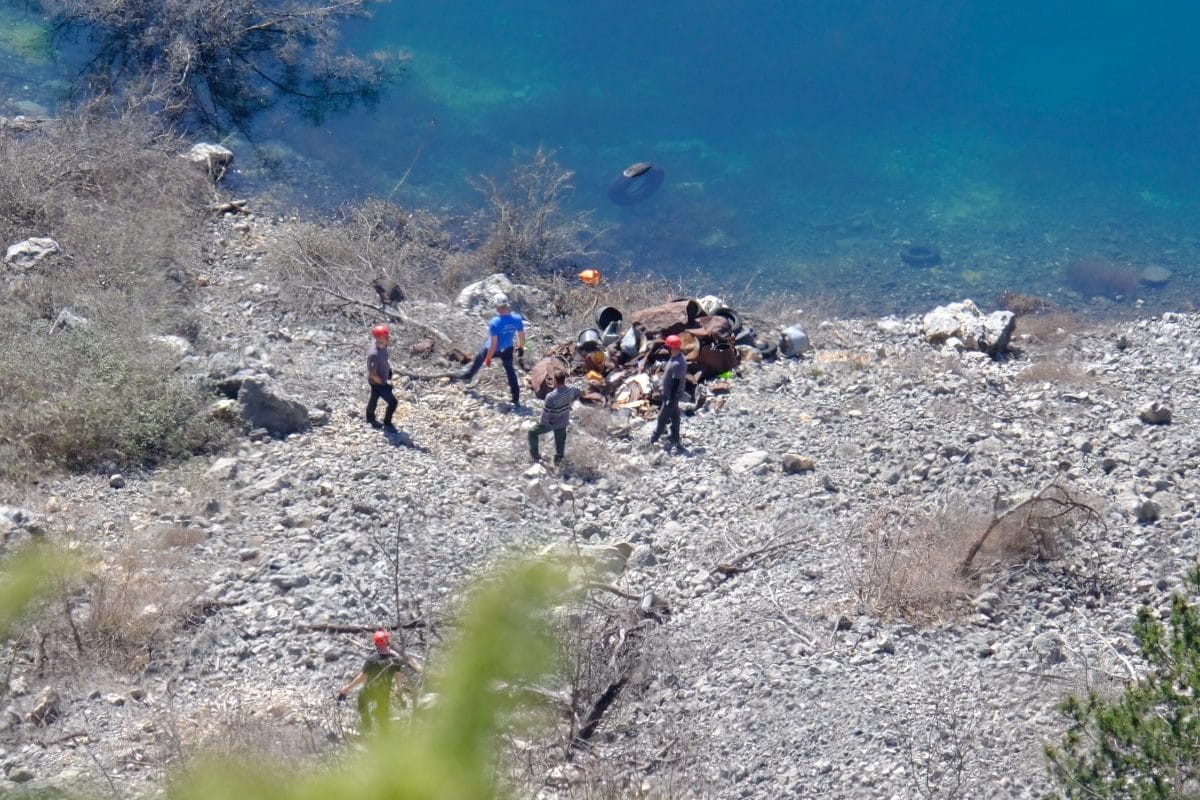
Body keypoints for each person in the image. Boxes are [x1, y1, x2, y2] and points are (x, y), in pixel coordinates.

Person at [457, 293, 526, 408]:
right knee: (510, 371)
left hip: (494, 349)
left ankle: (468, 375)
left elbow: (493, 344)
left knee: (479, 357)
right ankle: (516, 397)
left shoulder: (495, 322)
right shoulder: (517, 318)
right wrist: (521, 347)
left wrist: (488, 358)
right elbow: (521, 335)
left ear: (497, 306)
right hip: (508, 348)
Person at [337, 629, 407, 733]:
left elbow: (361, 677)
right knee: (383, 721)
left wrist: (347, 688)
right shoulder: (395, 660)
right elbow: (398, 680)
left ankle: (367, 727)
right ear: (388, 642)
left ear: (375, 643)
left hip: (369, 691)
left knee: (361, 701)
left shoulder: (372, 660)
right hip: (384, 694)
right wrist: (400, 695)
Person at [528, 372, 582, 466]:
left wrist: (542, 424)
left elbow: (545, 414)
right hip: (563, 421)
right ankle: (558, 462)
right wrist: (571, 401)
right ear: (564, 380)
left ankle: (535, 455)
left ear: (555, 381)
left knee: (532, 432)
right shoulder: (571, 389)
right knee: (560, 443)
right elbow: (579, 392)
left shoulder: (551, 396)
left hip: (551, 423)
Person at [651, 334, 687, 450]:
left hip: (672, 395)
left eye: (667, 346)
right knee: (675, 416)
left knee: (662, 418)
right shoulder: (675, 357)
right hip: (671, 394)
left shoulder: (678, 363)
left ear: (671, 347)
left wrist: (670, 399)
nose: (666, 348)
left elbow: (676, 383)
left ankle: (653, 440)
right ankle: (675, 438)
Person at [366, 324, 398, 430]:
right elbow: (373, 375)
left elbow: (384, 359)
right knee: (393, 402)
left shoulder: (383, 345)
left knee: (374, 398)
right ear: (379, 338)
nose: (388, 338)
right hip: (378, 382)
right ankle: (387, 423)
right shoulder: (374, 354)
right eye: (386, 336)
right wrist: (384, 383)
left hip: (383, 378)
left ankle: (370, 419)